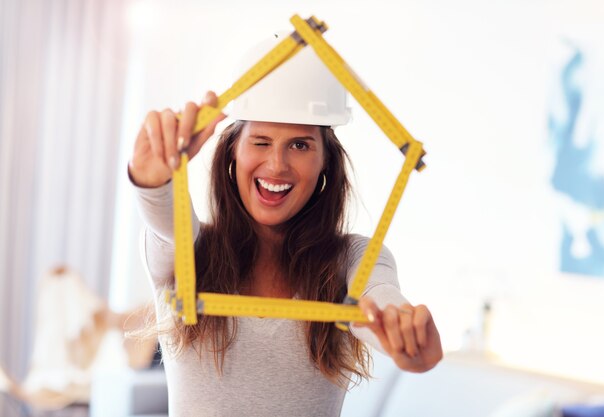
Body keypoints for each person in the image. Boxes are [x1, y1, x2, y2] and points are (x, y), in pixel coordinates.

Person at [128, 33, 442, 417]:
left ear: (325, 160)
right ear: (232, 153)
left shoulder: (350, 258)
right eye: (260, 141)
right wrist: (153, 180)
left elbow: (375, 298)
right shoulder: (189, 251)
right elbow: (164, 219)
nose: (277, 166)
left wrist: (403, 332)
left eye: (300, 145)